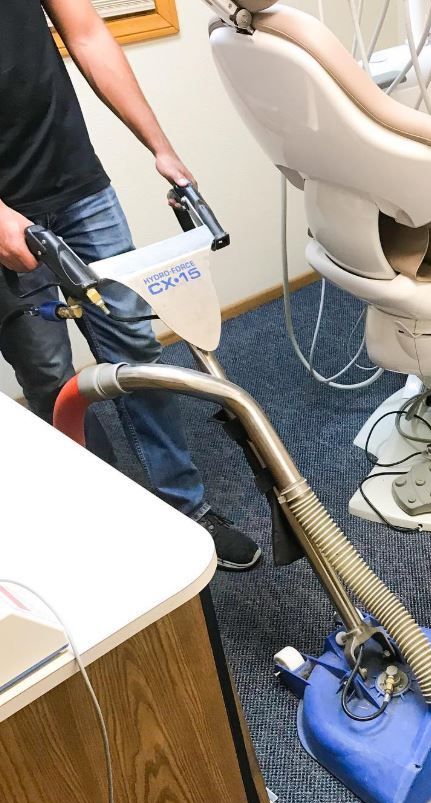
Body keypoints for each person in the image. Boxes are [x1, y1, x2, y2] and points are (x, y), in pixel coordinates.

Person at [0, 0, 261, 571]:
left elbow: (89, 34)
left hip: (74, 181)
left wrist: (161, 147)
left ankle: (185, 507)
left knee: (133, 346)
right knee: (52, 379)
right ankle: (114, 524)